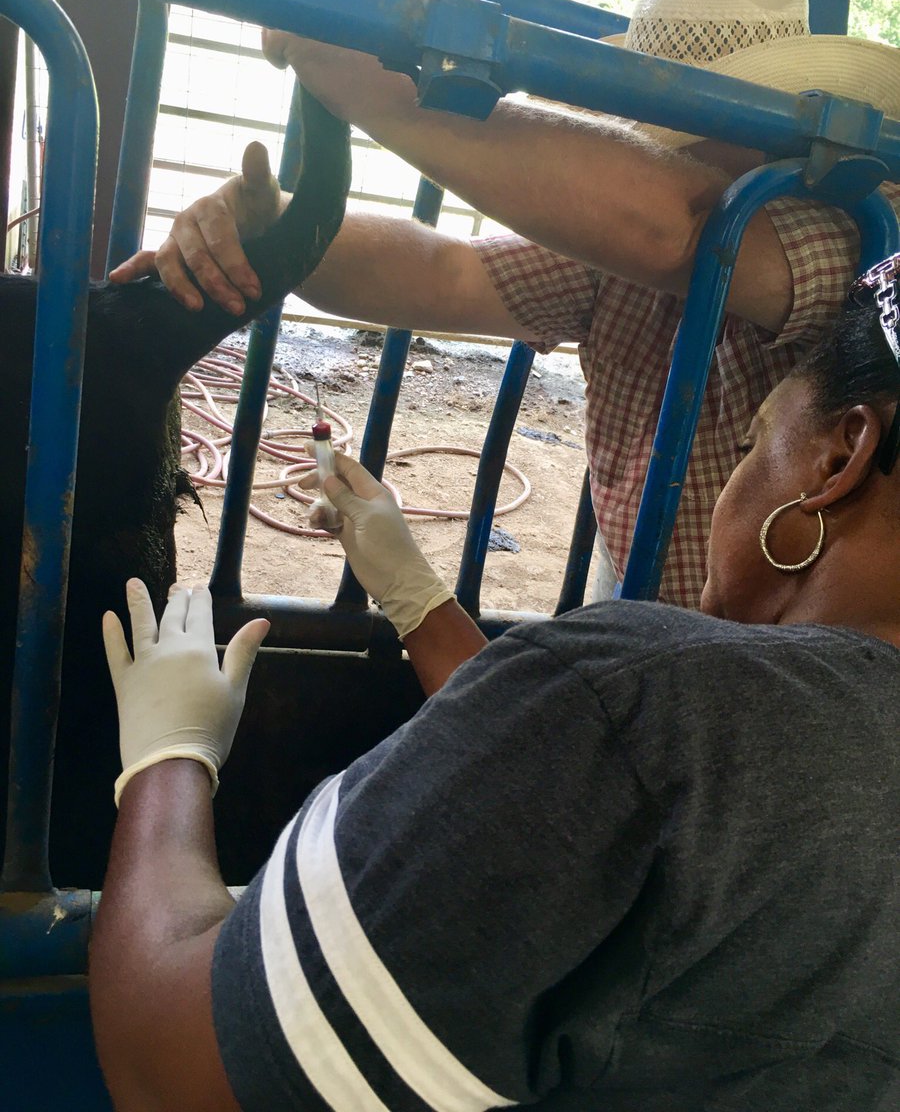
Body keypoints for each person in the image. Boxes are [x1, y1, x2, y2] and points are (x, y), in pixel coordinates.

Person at [89, 255, 900, 1109]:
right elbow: (592, 789)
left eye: (749, 443)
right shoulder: (662, 726)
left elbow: (169, 1068)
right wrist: (418, 600)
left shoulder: (651, 704)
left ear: (837, 459)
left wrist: (165, 758)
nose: (735, 474)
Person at [110, 0, 900, 608]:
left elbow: (683, 228)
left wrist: (381, 94)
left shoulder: (862, 228)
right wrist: (279, 223)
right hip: (631, 582)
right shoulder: (620, 248)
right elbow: (446, 273)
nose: (674, 146)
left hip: (785, 638)